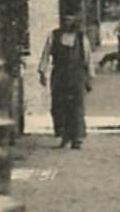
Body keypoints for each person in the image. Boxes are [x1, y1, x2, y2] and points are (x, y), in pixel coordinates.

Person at [38, 12, 93, 149]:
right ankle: (64, 137)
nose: (67, 23)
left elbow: (88, 58)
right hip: (60, 75)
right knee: (59, 106)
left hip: (77, 75)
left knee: (76, 106)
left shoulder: (81, 38)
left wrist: (89, 77)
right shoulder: (54, 36)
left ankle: (77, 138)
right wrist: (42, 72)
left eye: (70, 20)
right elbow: (46, 54)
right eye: (65, 20)